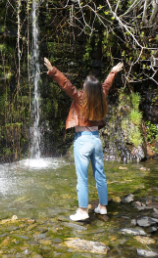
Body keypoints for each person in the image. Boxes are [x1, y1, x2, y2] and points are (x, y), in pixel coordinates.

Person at [44, 57, 124, 221]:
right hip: (96, 139)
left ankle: (82, 211)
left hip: (82, 140)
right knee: (100, 176)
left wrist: (53, 70)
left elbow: (67, 85)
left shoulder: (80, 97)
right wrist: (113, 71)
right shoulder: (100, 97)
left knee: (82, 178)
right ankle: (102, 207)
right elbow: (106, 85)